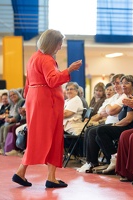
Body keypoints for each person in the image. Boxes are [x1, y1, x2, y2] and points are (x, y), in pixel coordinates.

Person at [12, 29, 82, 188]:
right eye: (59, 43)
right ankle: (49, 177)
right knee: (54, 138)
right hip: (47, 102)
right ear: (52, 43)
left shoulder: (33, 58)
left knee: (37, 137)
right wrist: (69, 70)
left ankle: (23, 172)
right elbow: (52, 80)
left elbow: (27, 86)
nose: (61, 46)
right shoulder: (47, 59)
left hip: (35, 100)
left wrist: (28, 102)